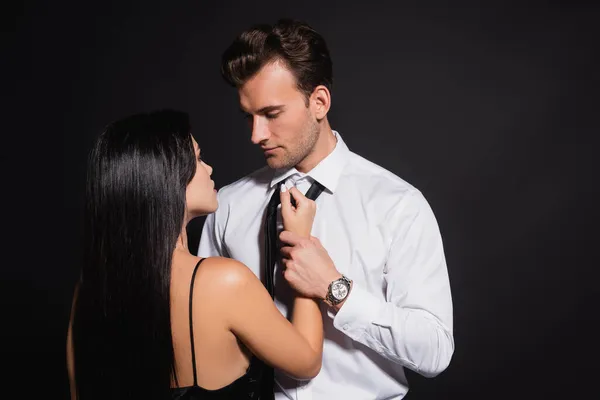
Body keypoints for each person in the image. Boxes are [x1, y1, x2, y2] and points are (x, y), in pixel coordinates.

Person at [198, 19, 455, 399]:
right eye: (248, 117)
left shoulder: (397, 205)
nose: (256, 135)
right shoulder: (229, 207)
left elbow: (434, 350)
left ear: (319, 102)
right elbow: (205, 326)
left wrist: (337, 291)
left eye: (271, 114)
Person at [66, 109, 328, 400]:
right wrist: (300, 243)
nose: (209, 169)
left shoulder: (90, 287)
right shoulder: (225, 281)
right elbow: (307, 361)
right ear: (168, 179)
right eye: (198, 158)